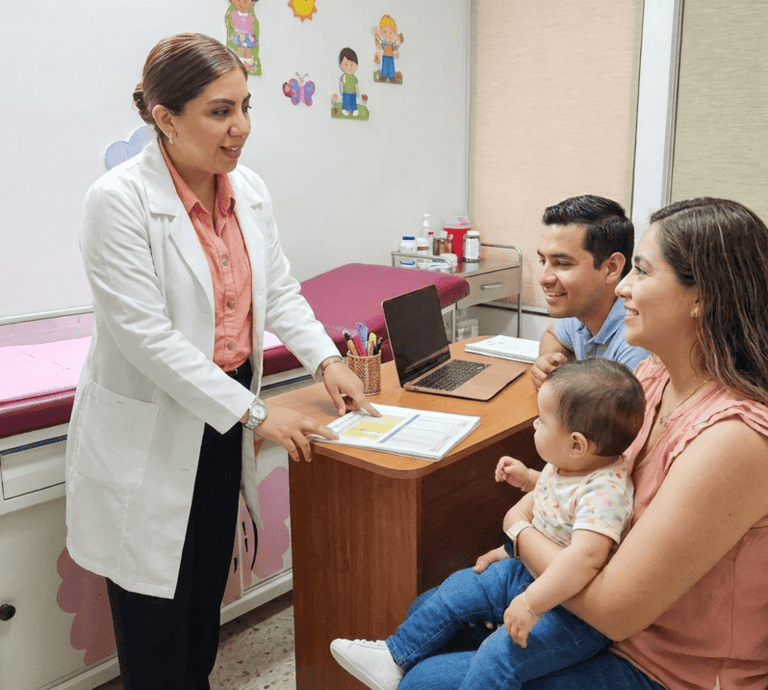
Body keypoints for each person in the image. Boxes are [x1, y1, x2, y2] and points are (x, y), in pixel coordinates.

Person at [65, 33, 377, 690]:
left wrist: (326, 361)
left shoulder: (248, 190)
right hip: (153, 428)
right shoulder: (118, 202)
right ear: (165, 117)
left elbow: (280, 289)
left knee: (204, 590)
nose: (241, 128)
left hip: (220, 418)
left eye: (245, 106)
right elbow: (145, 337)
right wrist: (256, 412)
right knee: (155, 614)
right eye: (219, 111)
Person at [395, 197, 768, 690]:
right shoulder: (654, 375)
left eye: (641, 272)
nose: (626, 287)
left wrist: (520, 532)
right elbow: (591, 485)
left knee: (426, 681)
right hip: (605, 625)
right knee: (433, 615)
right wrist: (524, 547)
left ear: (701, 297)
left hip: (666, 668)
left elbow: (614, 611)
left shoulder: (735, 439)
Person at [330, 358, 644, 690]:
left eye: (542, 421)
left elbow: (585, 558)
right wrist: (528, 480)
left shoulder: (606, 493)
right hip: (525, 571)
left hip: (569, 612)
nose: (535, 425)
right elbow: (560, 498)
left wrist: (531, 603)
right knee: (458, 588)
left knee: (501, 651)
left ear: (577, 444)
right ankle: (394, 656)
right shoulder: (573, 463)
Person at [531, 195, 649, 390]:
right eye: (543, 261)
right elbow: (553, 334)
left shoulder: (636, 345)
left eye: (562, 264)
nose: (543, 278)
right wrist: (549, 362)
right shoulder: (582, 310)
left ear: (611, 268)